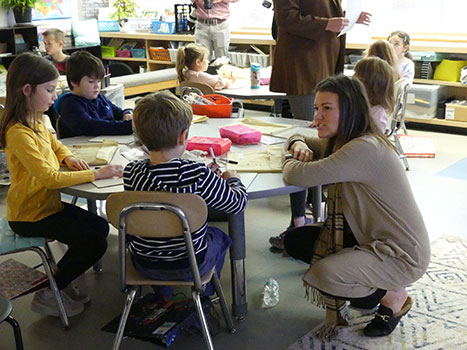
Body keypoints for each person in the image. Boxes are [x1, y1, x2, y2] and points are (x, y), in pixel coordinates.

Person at [281, 75, 430, 340]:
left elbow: (297, 175)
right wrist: (298, 144)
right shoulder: (347, 140)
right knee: (295, 241)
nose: (318, 116)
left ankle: (393, 295)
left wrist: (289, 159)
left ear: (349, 110)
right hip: (371, 239)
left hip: (400, 253)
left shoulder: (363, 149)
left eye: (327, 108)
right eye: (316, 108)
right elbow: (300, 138)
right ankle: (370, 283)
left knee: (324, 274)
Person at [0, 53, 123, 318]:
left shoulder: (37, 118)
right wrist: (96, 174)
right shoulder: (18, 132)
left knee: (99, 227)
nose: (55, 96)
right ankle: (50, 291)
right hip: (29, 215)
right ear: (27, 90)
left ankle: (58, 284)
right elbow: (50, 178)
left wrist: (67, 156)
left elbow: (55, 145)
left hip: (46, 206)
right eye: (50, 90)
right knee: (94, 241)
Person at [123, 91, 247, 294]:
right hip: (188, 265)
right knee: (220, 236)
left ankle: (164, 297)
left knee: (158, 238)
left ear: (141, 138)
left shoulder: (131, 172)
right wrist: (233, 179)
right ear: (183, 136)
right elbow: (237, 204)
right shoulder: (195, 174)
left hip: (143, 263)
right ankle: (205, 295)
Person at [270, 0, 372, 121]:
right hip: (304, 66)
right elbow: (286, 17)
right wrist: (326, 24)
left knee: (325, 124)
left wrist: (350, 18)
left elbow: (321, 11)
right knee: (309, 124)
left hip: (325, 62)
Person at [58, 50, 133, 138]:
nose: (97, 86)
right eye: (91, 82)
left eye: (98, 81)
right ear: (74, 82)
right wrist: (126, 127)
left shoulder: (100, 98)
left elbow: (119, 112)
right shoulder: (70, 105)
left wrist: (127, 114)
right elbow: (92, 126)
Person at [353, 57, 395, 133]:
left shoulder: (377, 115)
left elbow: (374, 142)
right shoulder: (361, 104)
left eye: (357, 79)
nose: (352, 78)